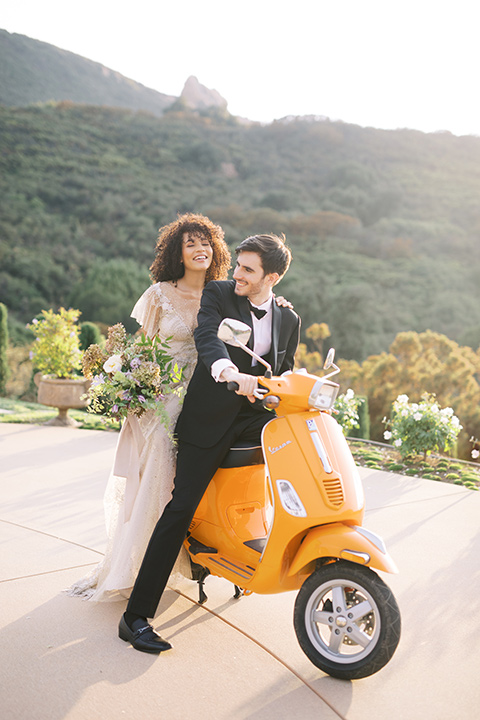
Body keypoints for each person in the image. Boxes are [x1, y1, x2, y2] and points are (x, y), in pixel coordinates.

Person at [119, 233, 300, 653]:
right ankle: (135, 617)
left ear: (271, 277)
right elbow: (208, 339)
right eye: (237, 264)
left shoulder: (288, 318)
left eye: (248, 270)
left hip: (256, 421)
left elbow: (284, 369)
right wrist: (228, 372)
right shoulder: (218, 293)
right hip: (210, 417)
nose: (236, 273)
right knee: (180, 506)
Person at [67, 213, 231, 601]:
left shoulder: (223, 293)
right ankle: (140, 565)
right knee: (161, 456)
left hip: (208, 393)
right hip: (165, 395)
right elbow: (142, 347)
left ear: (215, 248)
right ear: (177, 252)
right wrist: (129, 387)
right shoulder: (159, 293)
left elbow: (256, 305)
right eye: (189, 243)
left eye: (205, 241)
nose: (199, 248)